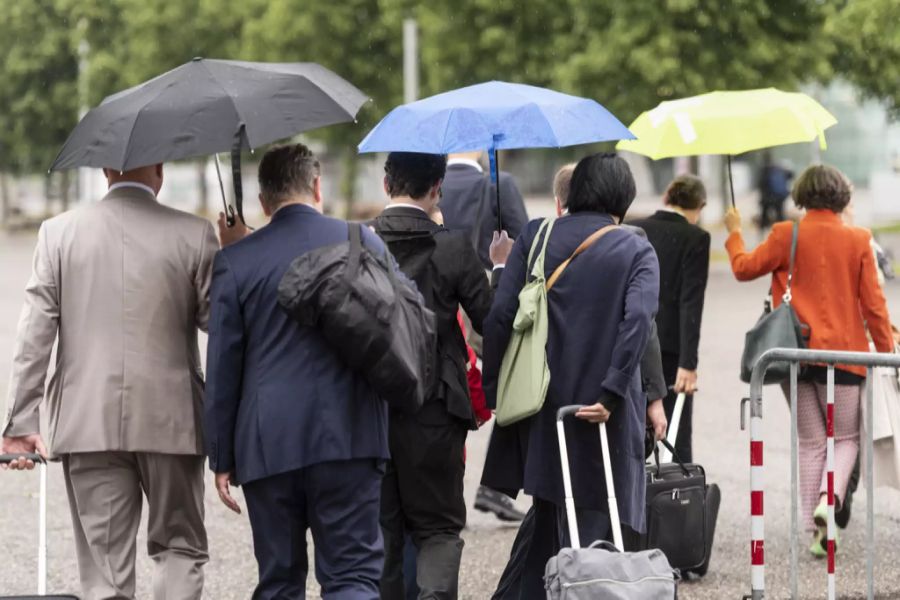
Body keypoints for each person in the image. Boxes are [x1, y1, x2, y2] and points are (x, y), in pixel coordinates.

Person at [2, 164, 216, 599]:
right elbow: (222, 324)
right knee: (180, 547)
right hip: (172, 420)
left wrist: (22, 420)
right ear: (159, 168)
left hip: (88, 422)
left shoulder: (59, 233)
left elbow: (34, 333)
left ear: (104, 169)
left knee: (105, 575)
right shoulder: (195, 234)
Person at [205, 144, 394, 598]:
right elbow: (399, 322)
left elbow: (223, 367)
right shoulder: (362, 240)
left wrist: (221, 456)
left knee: (279, 580)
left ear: (263, 201)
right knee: (352, 574)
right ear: (316, 186)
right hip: (351, 433)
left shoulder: (235, 262)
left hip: (268, 444)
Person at [482, 153, 660, 598]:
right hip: (606, 414)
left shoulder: (536, 235)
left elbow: (502, 315)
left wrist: (494, 391)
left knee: (549, 513)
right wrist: (614, 389)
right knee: (597, 527)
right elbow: (638, 321)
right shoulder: (635, 247)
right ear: (623, 196)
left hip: (544, 406)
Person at [724, 164, 893, 557]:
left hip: (794, 355)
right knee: (846, 437)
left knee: (813, 440)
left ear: (801, 195)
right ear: (841, 196)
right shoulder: (858, 239)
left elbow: (743, 268)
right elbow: (874, 307)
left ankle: (813, 530)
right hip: (845, 359)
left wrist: (734, 232)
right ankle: (828, 499)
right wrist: (886, 354)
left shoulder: (786, 234)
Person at [369, 152, 512, 600]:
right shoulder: (451, 246)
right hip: (435, 410)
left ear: (385, 182)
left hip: (371, 411)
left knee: (383, 535)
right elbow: (493, 323)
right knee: (438, 530)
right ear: (437, 189)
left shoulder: (359, 243)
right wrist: (501, 267)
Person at [439, 150, 529, 523]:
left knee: (448, 385)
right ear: (478, 148)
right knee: (509, 384)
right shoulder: (498, 185)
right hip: (485, 300)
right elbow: (524, 245)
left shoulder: (433, 183)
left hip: (439, 301)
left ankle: (446, 483)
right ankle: (494, 483)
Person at [630, 175, 711, 462]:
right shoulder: (696, 238)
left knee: (633, 426)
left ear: (667, 196)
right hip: (671, 350)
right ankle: (677, 497)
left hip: (633, 340)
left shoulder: (635, 228)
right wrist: (689, 363)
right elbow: (691, 303)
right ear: (700, 206)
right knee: (676, 430)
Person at [439, 151, 528, 270]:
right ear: (480, 148)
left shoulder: (431, 186)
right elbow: (525, 243)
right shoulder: (500, 183)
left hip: (438, 282)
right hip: (488, 283)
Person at [758, 152, 793, 230]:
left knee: (764, 216)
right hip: (779, 197)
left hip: (767, 198)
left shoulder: (764, 169)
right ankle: (783, 231)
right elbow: (790, 176)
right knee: (780, 215)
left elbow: (761, 184)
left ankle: (762, 233)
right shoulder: (779, 168)